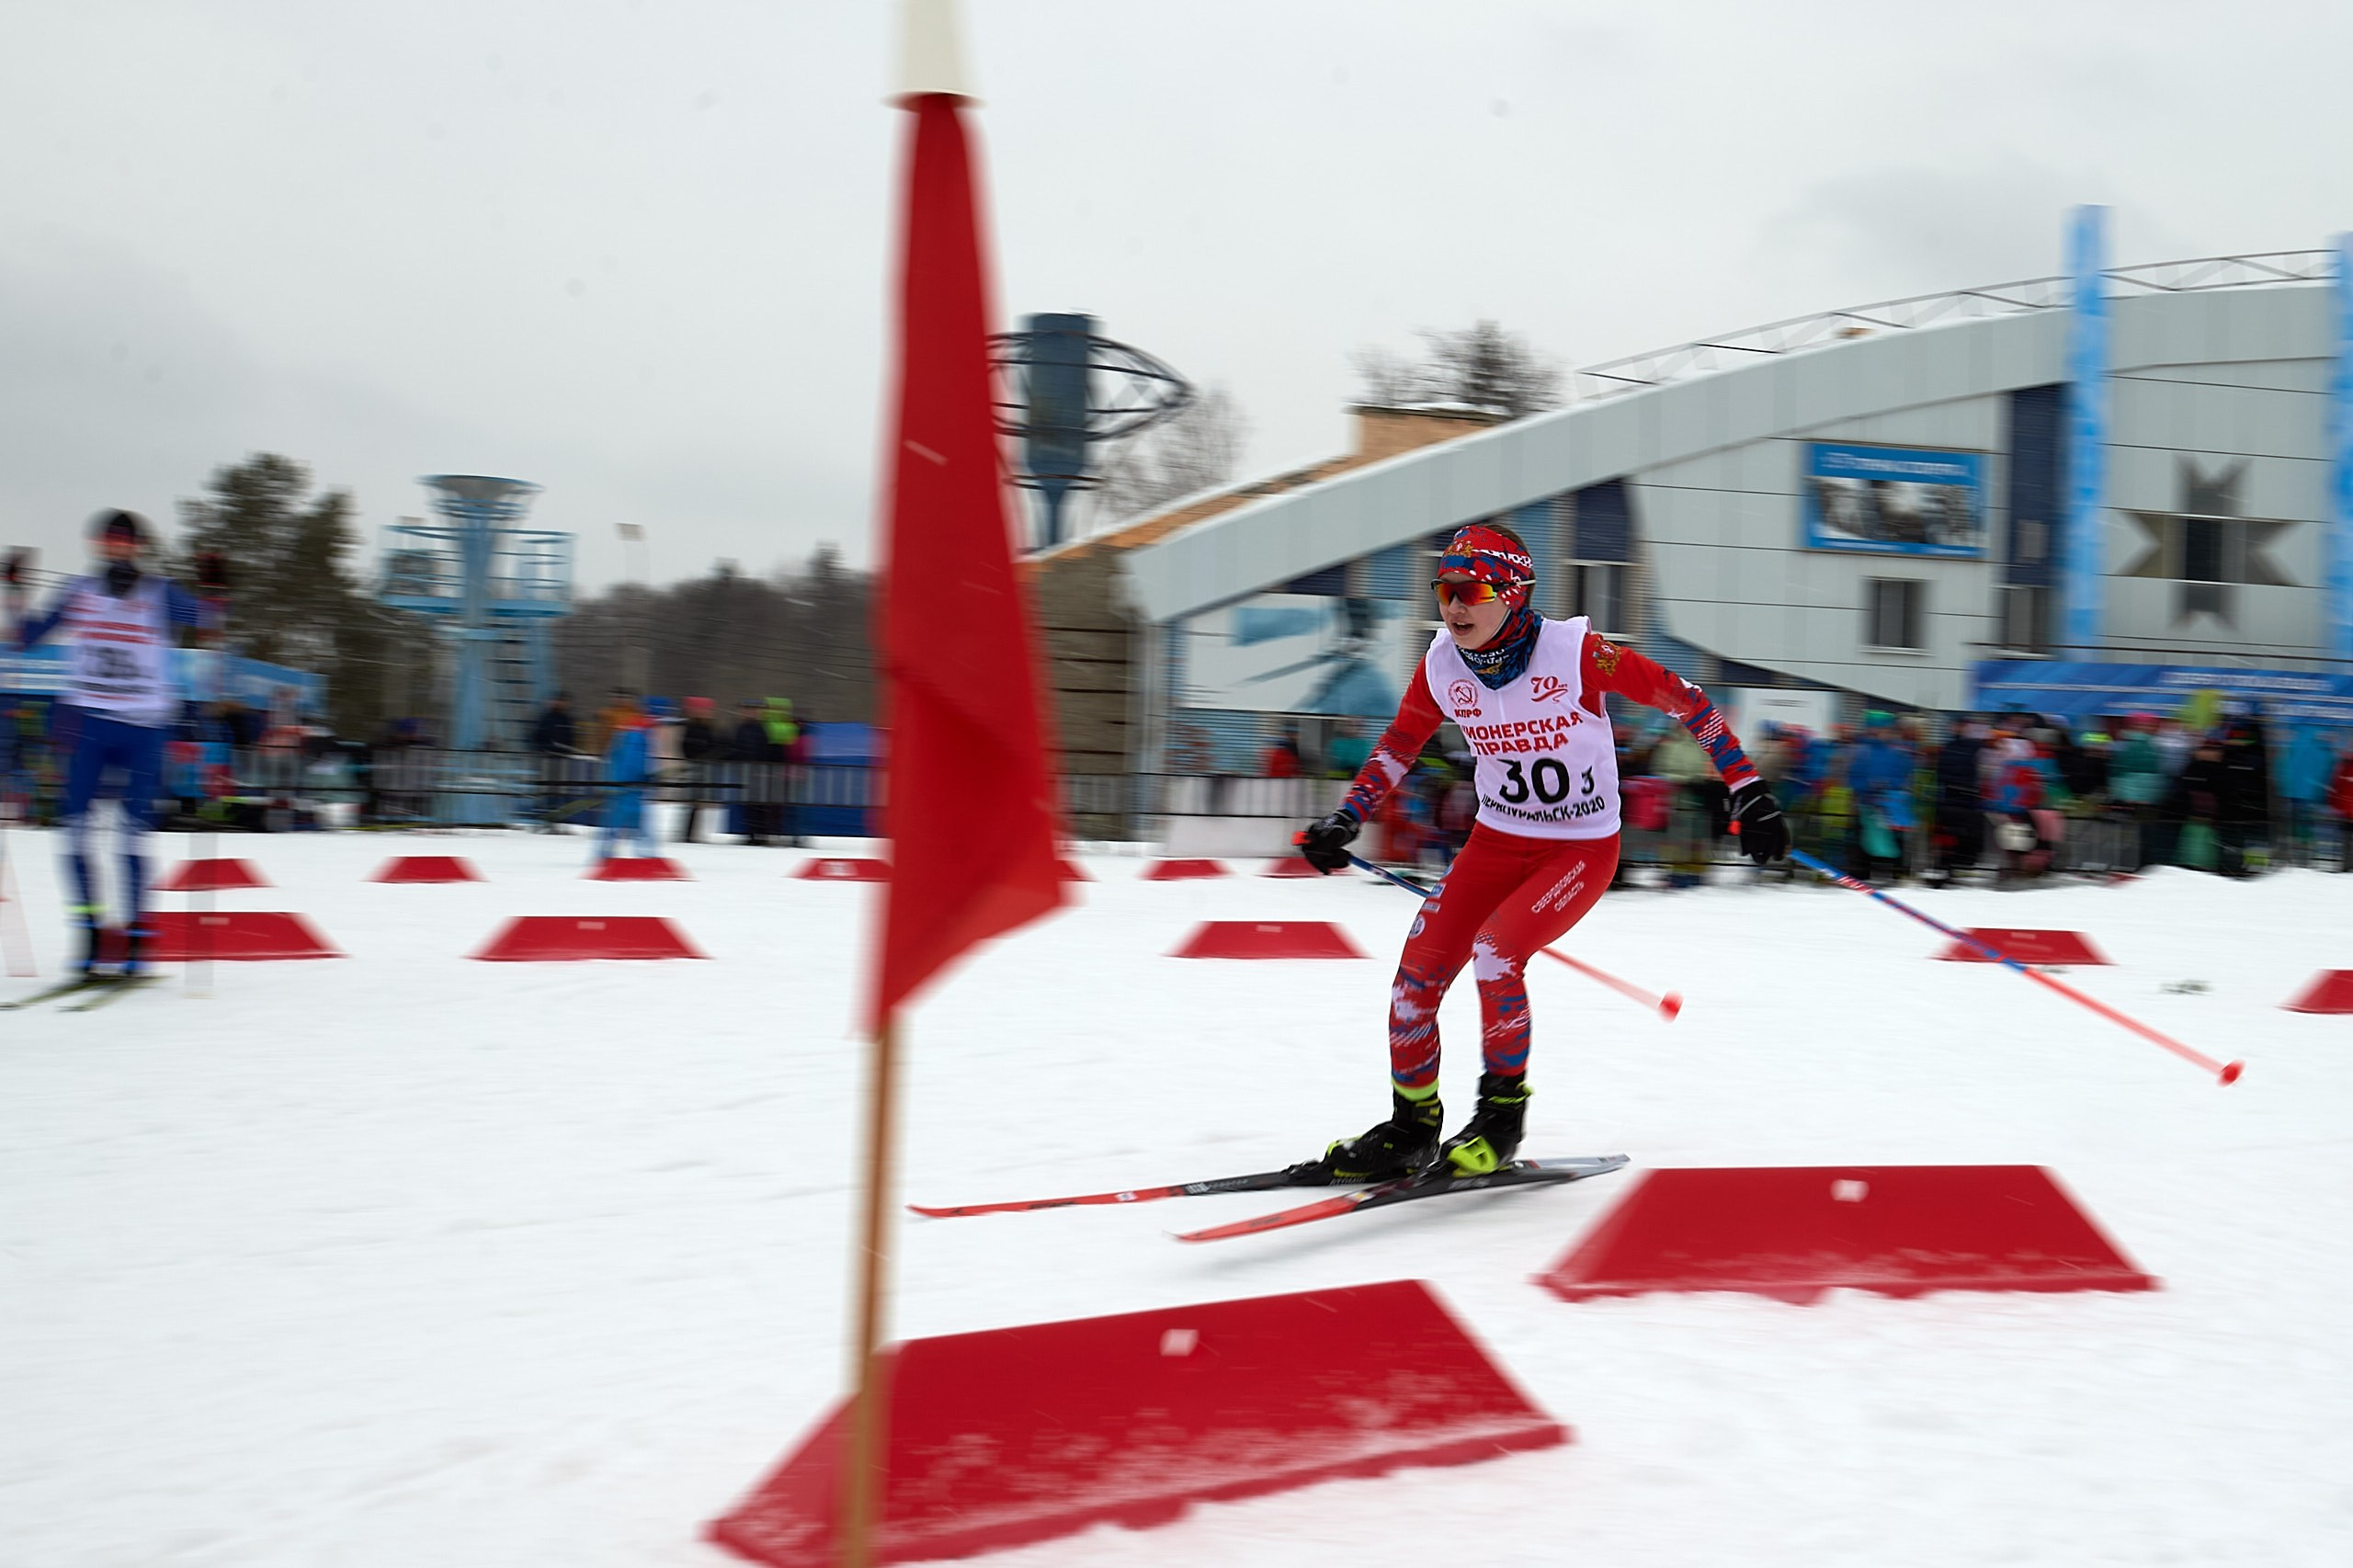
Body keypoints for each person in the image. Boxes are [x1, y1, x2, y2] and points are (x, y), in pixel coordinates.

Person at [1290, 522, 1786, 1182]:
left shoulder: (1577, 653)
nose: (1453, 606)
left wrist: (1747, 789)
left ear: (1513, 592)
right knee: (1415, 979)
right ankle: (1411, 1129)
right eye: (1444, 590)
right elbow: (1400, 744)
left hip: (1577, 851)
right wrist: (1346, 818)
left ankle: (1500, 1121)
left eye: (1469, 590)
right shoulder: (1440, 663)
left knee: (1498, 953)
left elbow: (1687, 701)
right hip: (1497, 842)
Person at [3, 512, 226, 981]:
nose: (117, 548)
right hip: (89, 725)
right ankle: (88, 930)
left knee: (130, 835)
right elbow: (27, 638)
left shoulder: (159, 593)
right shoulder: (78, 592)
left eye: (126, 542)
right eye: (110, 541)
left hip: (145, 728)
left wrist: (215, 585)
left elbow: (210, 624)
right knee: (74, 833)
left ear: (138, 547)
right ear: (97, 544)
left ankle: (138, 936)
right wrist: (14, 592)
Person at [592, 690, 657, 863]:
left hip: (623, 786)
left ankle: (605, 854)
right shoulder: (636, 736)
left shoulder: (627, 734)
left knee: (618, 822)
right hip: (628, 788)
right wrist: (643, 776)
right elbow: (631, 762)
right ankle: (645, 856)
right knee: (631, 821)